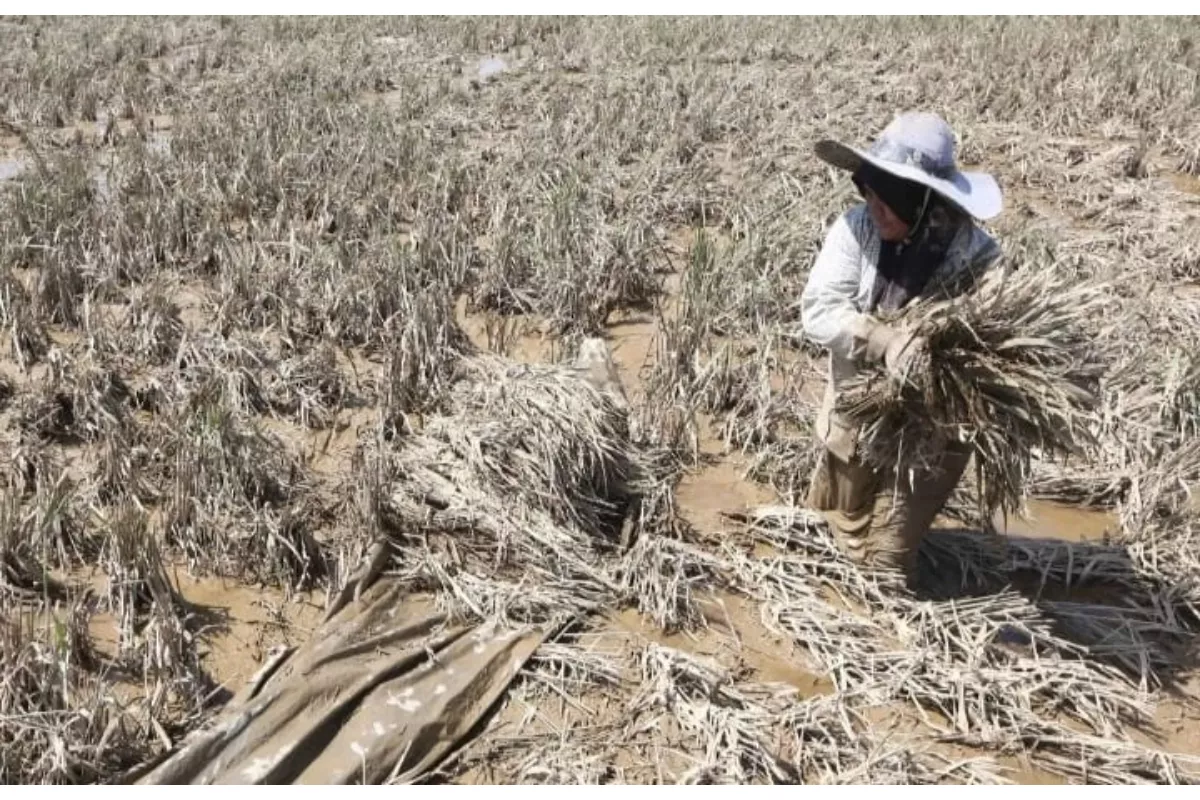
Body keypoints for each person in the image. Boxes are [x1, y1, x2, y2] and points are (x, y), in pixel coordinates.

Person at [800, 111, 1003, 584]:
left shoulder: (978, 259)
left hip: (932, 432)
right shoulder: (855, 230)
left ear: (920, 198)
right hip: (856, 412)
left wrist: (930, 345)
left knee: (887, 565)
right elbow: (819, 309)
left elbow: (987, 347)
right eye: (869, 192)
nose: (874, 206)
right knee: (832, 530)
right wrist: (882, 338)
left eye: (888, 198)